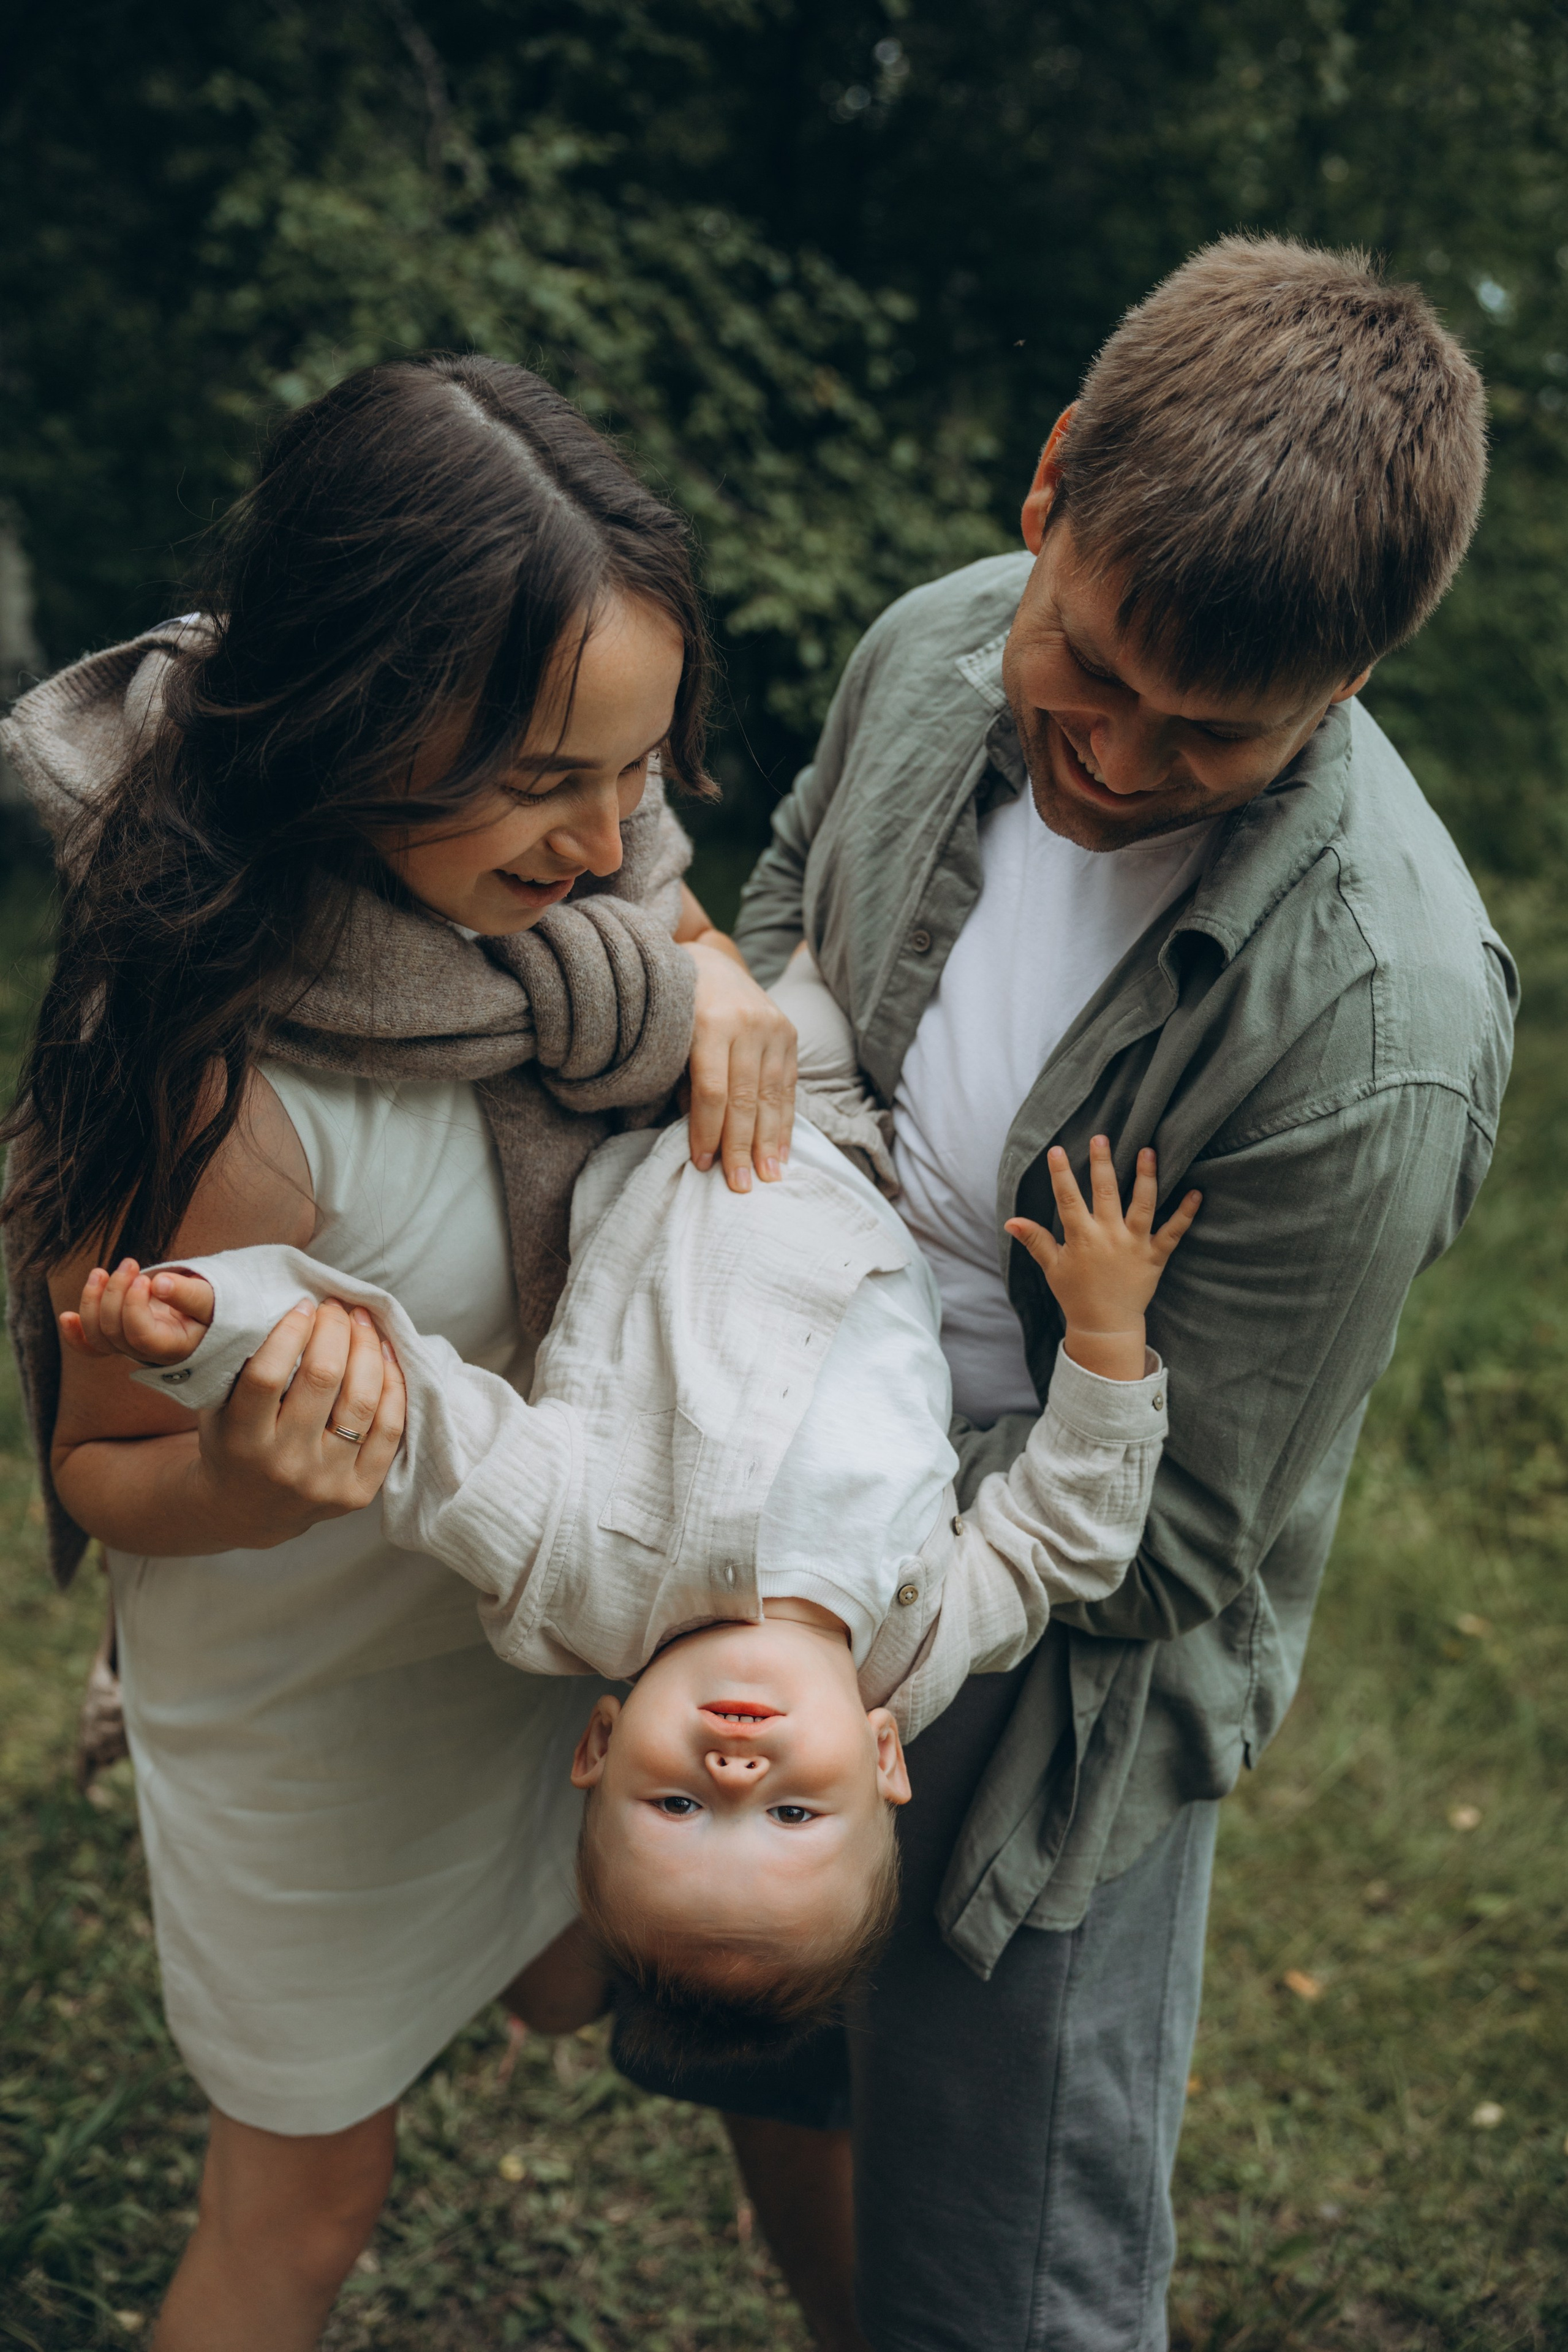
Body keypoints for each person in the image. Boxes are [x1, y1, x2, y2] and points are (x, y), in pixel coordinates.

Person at [609, 236, 1518, 2352]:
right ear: (1048, 491)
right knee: (766, 2052)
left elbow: (1180, 1533)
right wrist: (732, 992)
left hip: (1047, 1661)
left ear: (1358, 680)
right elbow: (783, 892)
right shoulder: (935, 643)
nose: (1112, 755)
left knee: (1004, 2273)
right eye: (1089, 666)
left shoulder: (1372, 1020)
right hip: (777, 1486)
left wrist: (814, 1580)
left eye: (1211, 737)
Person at [0, 351, 799, 2352]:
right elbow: (107, 1465)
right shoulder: (220, 1067)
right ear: (357, 723)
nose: (613, 835)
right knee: (305, 2201)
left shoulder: (584, 905)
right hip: (312, 1694)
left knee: (550, 1978)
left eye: (640, 766)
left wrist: (714, 984)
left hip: (510, 1619)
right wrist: (253, 1469)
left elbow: (655, 910)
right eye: (548, 780)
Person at [60, 956, 1197, 2064]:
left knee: (694, 945)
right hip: (858, 1146)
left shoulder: (572, 1570)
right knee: (888, 929)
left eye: (674, 1807)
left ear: (600, 1745)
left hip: (681, 1108)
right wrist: (1104, 1331)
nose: (736, 1781)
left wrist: (216, 1328)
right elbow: (1069, 1538)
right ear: (886, 1760)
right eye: (797, 1820)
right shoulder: (933, 1633)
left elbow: (417, 1417)